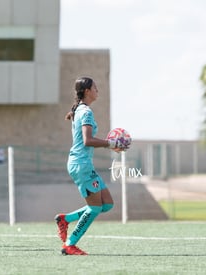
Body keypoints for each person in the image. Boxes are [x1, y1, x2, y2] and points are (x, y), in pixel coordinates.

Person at [54, 76, 130, 255]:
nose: (98, 91)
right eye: (95, 88)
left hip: (83, 164)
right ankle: (70, 244)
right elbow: (88, 141)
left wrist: (110, 144)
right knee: (95, 207)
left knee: (107, 204)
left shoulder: (80, 110)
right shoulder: (86, 112)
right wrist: (111, 144)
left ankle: (66, 219)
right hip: (81, 165)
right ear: (87, 91)